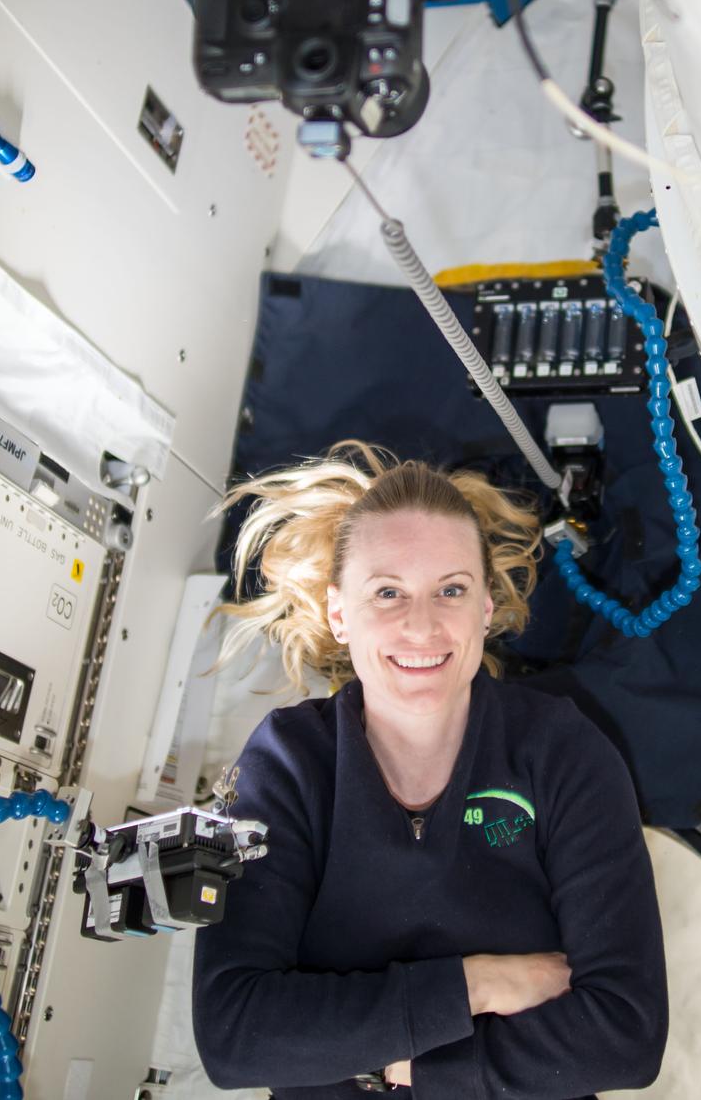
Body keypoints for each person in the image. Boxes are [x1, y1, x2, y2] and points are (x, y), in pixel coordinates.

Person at [192, 441, 668, 1098]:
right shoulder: (289, 763)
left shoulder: (562, 752)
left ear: (485, 608)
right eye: (388, 592)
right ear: (339, 612)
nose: (422, 625)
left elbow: (626, 1035)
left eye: (451, 589)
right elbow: (235, 1035)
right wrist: (479, 984)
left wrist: (408, 1067)